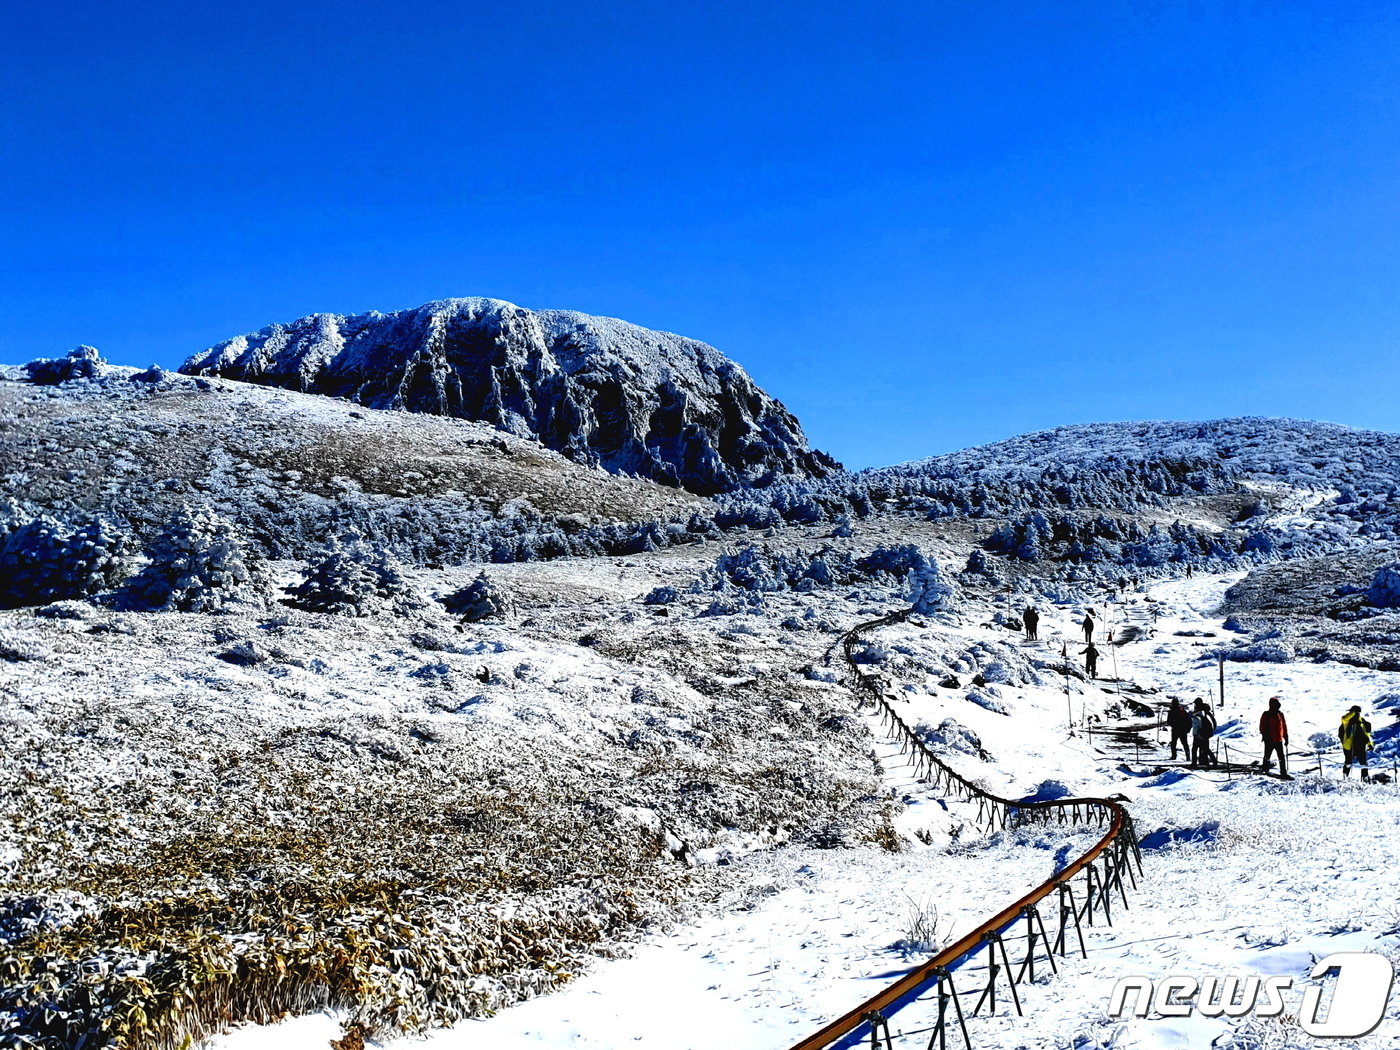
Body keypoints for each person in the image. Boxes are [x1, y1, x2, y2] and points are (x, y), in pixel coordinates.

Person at [1339, 705, 1374, 781]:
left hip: (1360, 744)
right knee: (1348, 762)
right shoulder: (1347, 721)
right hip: (1349, 745)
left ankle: (1365, 779)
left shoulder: (1362, 721)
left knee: (1363, 763)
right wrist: (1353, 713)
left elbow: (1366, 733)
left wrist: (1370, 744)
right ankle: (1345, 778)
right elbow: (1344, 718)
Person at [1259, 696, 1289, 777]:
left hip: (1278, 739)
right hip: (1269, 739)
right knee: (1267, 756)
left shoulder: (1280, 714)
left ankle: (1283, 772)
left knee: (1281, 757)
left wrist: (1286, 737)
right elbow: (1262, 727)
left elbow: (1284, 726)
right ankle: (1265, 771)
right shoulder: (1266, 714)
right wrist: (1265, 735)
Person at [1190, 698, 1216, 767]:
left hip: (1199, 734)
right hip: (1206, 733)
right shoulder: (1206, 712)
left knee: (1195, 749)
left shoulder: (1199, 713)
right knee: (1205, 748)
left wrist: (1196, 734)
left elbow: (1197, 725)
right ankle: (1207, 761)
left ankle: (1194, 763)